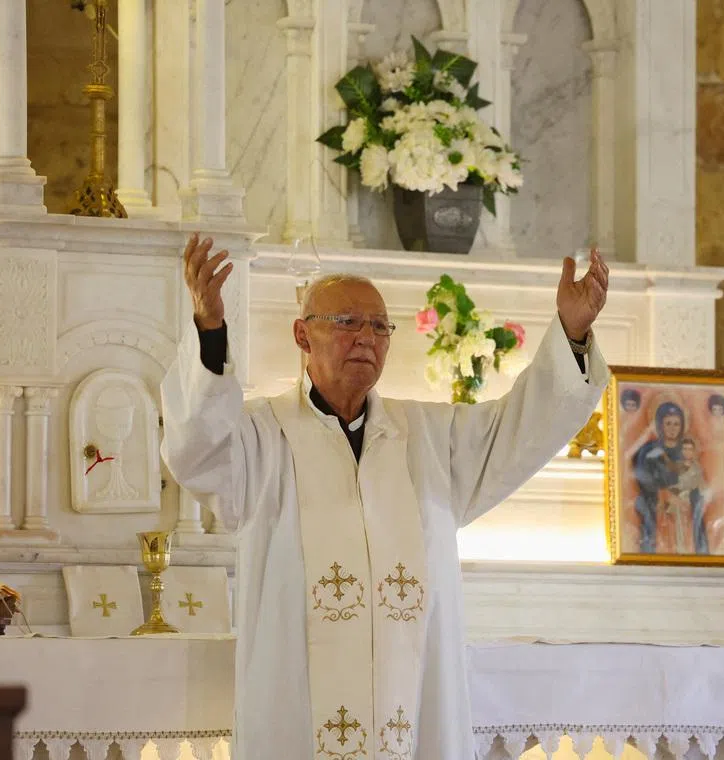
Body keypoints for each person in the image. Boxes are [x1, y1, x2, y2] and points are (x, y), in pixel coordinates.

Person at [160, 233, 610, 760]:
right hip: (298, 716)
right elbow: (195, 450)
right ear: (302, 335)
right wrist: (211, 333)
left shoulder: (426, 437)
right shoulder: (263, 436)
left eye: (379, 326)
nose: (366, 338)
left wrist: (572, 332)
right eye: (347, 322)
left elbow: (518, 429)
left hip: (411, 715)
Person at [630, 402, 686, 553]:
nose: (672, 428)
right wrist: (663, 492)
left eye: (676, 424)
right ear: (660, 425)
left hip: (681, 507)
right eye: (668, 423)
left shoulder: (687, 449)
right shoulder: (649, 450)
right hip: (654, 502)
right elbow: (641, 475)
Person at [664, 438, 708, 554]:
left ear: (694, 451)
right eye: (685, 449)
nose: (687, 452)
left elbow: (702, 487)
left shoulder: (697, 469)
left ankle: (692, 550)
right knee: (677, 529)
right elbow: (669, 485)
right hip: (677, 503)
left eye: (690, 449)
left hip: (691, 502)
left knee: (691, 528)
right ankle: (679, 550)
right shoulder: (676, 467)